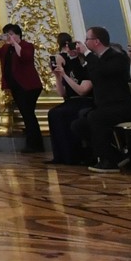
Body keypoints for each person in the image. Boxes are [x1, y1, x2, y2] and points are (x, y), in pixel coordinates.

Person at [65, 27, 131, 172]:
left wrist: (87, 54)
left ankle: (108, 161)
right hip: (105, 106)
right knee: (78, 124)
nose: (84, 42)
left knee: (95, 117)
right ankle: (115, 156)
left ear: (96, 41)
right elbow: (90, 76)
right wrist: (77, 58)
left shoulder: (117, 56)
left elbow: (105, 71)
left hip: (121, 106)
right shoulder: (95, 60)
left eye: (87, 39)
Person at [0, 24, 44, 152]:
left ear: (18, 34)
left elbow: (25, 56)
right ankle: (33, 143)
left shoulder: (26, 45)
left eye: (11, 34)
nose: (9, 37)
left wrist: (15, 43)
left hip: (29, 86)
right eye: (6, 34)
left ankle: (35, 144)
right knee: (27, 115)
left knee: (28, 114)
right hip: (16, 87)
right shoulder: (6, 48)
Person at [45, 36, 91, 165]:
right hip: (70, 100)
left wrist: (65, 75)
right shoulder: (69, 67)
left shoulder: (85, 66)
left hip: (84, 100)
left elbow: (82, 91)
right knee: (53, 113)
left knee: (61, 114)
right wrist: (58, 77)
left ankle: (72, 155)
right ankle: (60, 155)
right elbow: (62, 93)